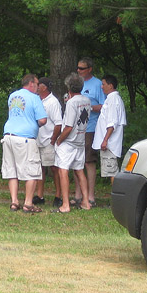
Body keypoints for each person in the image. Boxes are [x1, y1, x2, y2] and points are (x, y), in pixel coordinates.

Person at [1, 73, 48, 213]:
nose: (38, 87)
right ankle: (28, 203)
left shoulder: (13, 96)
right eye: (37, 84)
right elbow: (43, 120)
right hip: (25, 138)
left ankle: (14, 202)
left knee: (12, 170)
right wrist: (34, 124)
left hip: (8, 135)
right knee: (31, 171)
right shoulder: (34, 98)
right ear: (31, 84)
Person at [54, 72, 92, 213]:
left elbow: (69, 126)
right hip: (80, 140)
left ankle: (65, 204)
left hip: (69, 142)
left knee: (63, 170)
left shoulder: (71, 103)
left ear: (69, 87)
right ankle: (86, 202)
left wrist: (59, 140)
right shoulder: (87, 100)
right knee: (79, 171)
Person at [76, 57, 105, 207]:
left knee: (88, 161)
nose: (79, 70)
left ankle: (91, 196)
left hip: (90, 128)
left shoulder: (97, 84)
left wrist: (88, 107)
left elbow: (103, 106)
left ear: (89, 69)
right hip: (76, 129)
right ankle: (78, 195)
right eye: (78, 68)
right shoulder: (76, 82)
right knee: (77, 161)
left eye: (82, 68)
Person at [33, 77, 63, 208]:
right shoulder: (37, 100)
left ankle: (58, 196)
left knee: (54, 168)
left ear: (44, 87)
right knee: (40, 168)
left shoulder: (53, 102)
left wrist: (53, 140)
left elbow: (58, 123)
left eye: (38, 84)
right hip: (38, 139)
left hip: (48, 140)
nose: (36, 86)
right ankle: (40, 195)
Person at [92, 74, 127, 182]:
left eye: (103, 84)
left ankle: (116, 192)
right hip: (109, 143)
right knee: (111, 170)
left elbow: (112, 123)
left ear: (110, 85)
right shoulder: (111, 99)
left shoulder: (113, 100)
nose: (101, 87)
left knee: (112, 171)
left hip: (110, 144)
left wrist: (105, 140)